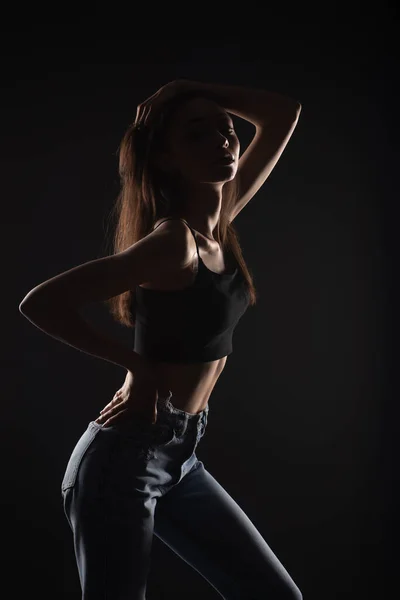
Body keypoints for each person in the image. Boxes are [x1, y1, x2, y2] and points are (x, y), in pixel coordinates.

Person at [20, 80, 302, 599]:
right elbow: (39, 302)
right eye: (198, 135)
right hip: (123, 461)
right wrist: (136, 365)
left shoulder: (219, 226)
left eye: (226, 130)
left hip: (182, 455)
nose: (223, 142)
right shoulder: (175, 243)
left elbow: (283, 112)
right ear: (169, 160)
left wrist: (188, 88)